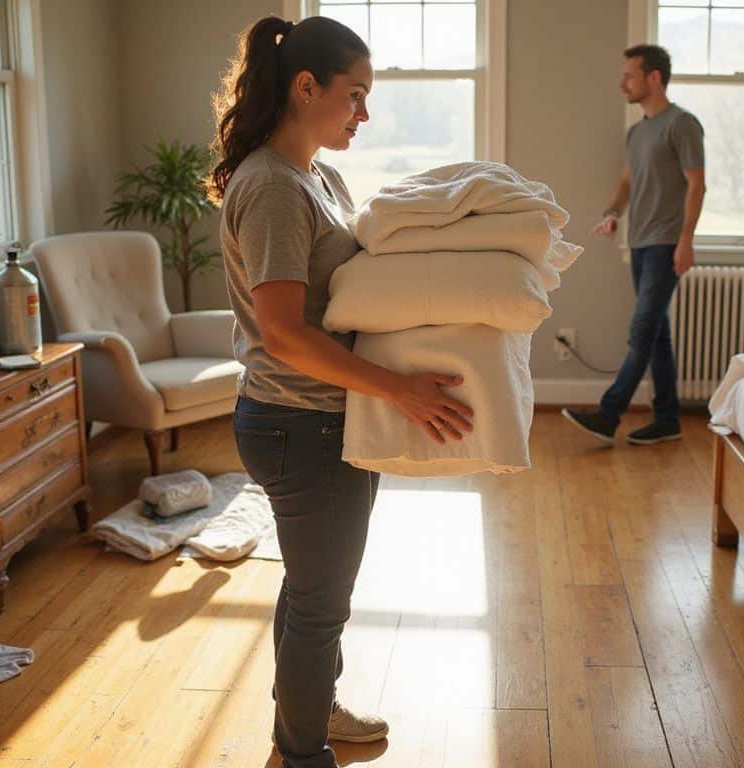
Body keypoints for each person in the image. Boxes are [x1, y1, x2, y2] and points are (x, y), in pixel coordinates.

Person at [208, 15, 475, 768]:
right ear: (305, 87)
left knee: (312, 587)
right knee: (322, 601)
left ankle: (313, 712)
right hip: (298, 423)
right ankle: (300, 754)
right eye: (354, 95)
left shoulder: (317, 175)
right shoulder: (269, 187)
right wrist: (402, 391)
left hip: (323, 417)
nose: (364, 113)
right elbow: (286, 334)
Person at [563, 44, 706, 446]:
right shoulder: (638, 131)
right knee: (657, 333)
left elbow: (697, 184)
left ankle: (608, 415)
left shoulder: (683, 125)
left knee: (643, 329)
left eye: (629, 75)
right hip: (641, 242)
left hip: (666, 243)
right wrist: (612, 212)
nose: (622, 82)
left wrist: (686, 241)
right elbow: (627, 181)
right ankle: (667, 419)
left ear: (654, 77)